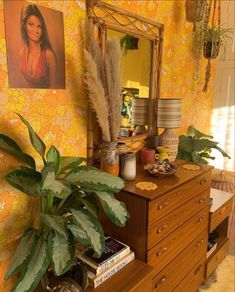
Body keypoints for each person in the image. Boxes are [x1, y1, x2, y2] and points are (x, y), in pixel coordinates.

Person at [20, 4, 58, 88]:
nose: (36, 31)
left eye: (39, 26)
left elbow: (55, 88)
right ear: (24, 26)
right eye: (31, 24)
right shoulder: (22, 52)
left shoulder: (48, 55)